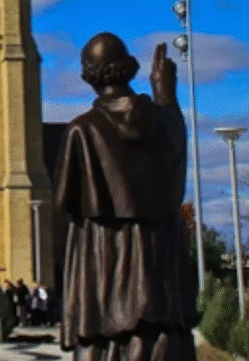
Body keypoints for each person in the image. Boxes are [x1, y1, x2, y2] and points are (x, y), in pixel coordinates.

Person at [54, 34, 198, 360]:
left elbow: (64, 199)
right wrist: (165, 93)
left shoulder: (82, 129)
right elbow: (175, 160)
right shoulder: (164, 123)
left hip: (105, 261)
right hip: (158, 268)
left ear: (89, 74)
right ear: (129, 68)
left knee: (108, 341)